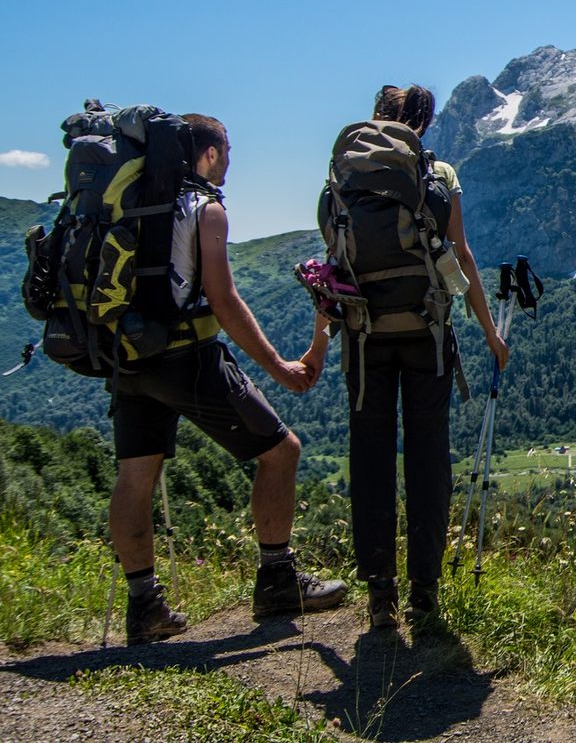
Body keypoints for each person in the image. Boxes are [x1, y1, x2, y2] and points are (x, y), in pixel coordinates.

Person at [112, 113, 347, 645]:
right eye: (228, 152)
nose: (230, 163)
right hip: (187, 358)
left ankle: (144, 605)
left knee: (135, 474)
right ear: (210, 154)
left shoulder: (132, 204)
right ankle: (277, 582)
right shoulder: (205, 210)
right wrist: (279, 368)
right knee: (282, 450)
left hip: (127, 358)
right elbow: (224, 300)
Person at [302, 84, 509, 629]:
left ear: (376, 117)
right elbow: (460, 256)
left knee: (369, 457)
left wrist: (321, 341)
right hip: (427, 335)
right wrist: (490, 333)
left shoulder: (341, 176)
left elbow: (334, 266)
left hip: (363, 340)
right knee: (427, 456)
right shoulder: (436, 176)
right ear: (423, 121)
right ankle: (425, 592)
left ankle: (379, 594)